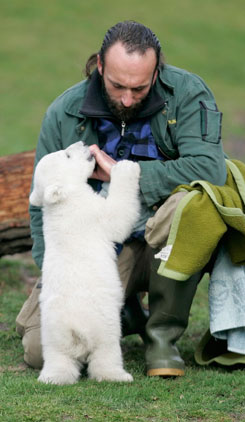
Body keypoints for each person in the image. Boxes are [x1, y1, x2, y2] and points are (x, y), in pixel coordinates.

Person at [16, 20, 227, 377]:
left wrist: (127, 176)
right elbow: (43, 213)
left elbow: (211, 168)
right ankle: (126, 310)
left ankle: (162, 337)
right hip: (98, 252)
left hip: (167, 239)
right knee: (39, 350)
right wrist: (57, 279)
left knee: (194, 204)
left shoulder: (188, 94)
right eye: (117, 86)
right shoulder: (63, 112)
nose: (127, 98)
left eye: (139, 88)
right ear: (100, 65)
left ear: (156, 70)